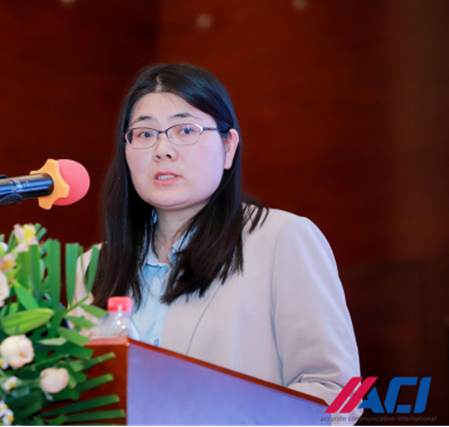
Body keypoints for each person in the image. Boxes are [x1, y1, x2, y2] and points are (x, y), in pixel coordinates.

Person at [74, 63, 362, 421]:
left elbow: (336, 392)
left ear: (228, 147)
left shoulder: (282, 240)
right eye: (145, 133)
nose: (162, 149)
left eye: (185, 130)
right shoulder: (94, 266)